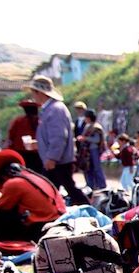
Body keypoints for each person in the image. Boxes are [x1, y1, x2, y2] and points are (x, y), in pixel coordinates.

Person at [24, 75, 89, 205]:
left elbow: (59, 136)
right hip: (56, 159)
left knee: (59, 191)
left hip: (58, 161)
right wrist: (39, 145)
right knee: (54, 191)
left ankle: (90, 212)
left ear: (39, 92)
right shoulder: (50, 109)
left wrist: (52, 157)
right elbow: (52, 136)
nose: (33, 96)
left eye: (33, 92)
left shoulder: (55, 109)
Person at [0, 149, 66, 242]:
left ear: (3, 176)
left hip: (40, 225)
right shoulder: (35, 177)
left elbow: (2, 209)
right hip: (57, 219)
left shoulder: (13, 183)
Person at [7, 100, 43, 174]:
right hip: (37, 153)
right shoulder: (41, 121)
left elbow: (11, 136)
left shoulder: (18, 121)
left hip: (21, 153)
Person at [77, 109, 107, 190]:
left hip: (94, 150)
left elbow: (96, 140)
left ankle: (101, 185)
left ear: (89, 118)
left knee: (97, 168)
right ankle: (90, 185)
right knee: (87, 168)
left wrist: (85, 138)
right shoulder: (87, 126)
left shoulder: (96, 127)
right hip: (87, 151)